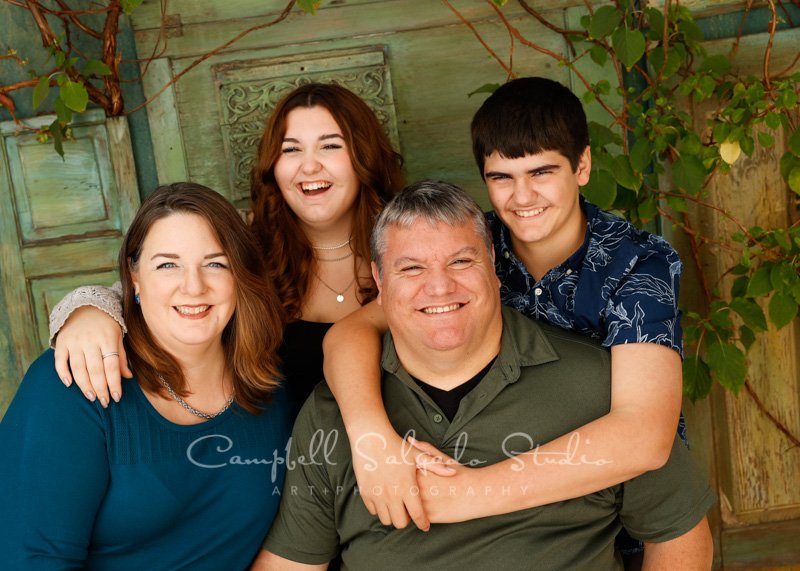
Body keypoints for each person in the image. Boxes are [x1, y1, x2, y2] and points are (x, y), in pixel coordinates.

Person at [252, 181, 715, 570]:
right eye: (411, 268)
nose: (439, 286)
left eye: (460, 261)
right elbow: (293, 561)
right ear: (379, 279)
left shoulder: (600, 385)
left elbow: (678, 535)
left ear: (493, 266)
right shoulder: (336, 412)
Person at [321, 77, 688, 555]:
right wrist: (372, 438)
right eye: (502, 177)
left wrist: (466, 494)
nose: (522, 197)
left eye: (541, 173)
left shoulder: (637, 263)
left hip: (626, 506)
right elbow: (351, 330)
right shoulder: (472, 249)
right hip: (511, 489)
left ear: (582, 166)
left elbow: (645, 436)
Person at [46, 82, 403, 415]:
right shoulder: (245, 246)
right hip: (274, 465)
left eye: (330, 145)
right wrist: (88, 311)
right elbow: (148, 288)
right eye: (291, 149)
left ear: (363, 155)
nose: (309, 166)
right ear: (272, 167)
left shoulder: (411, 245)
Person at [0, 183, 290, 569]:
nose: (193, 286)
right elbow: (32, 559)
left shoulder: (270, 390)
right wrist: (89, 306)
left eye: (216, 263)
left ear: (241, 275)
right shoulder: (72, 385)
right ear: (134, 278)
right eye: (167, 264)